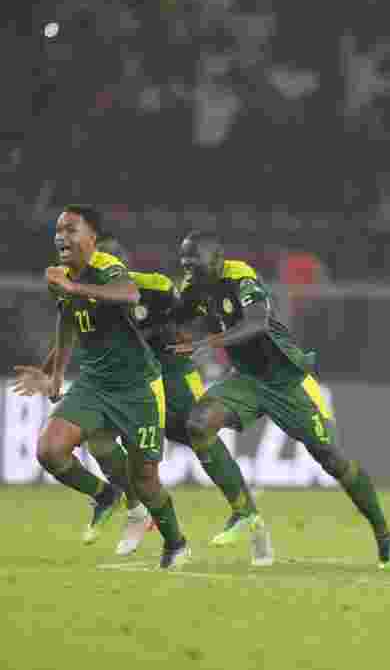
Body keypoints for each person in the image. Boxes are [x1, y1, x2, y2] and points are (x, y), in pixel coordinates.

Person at [170, 231, 390, 570]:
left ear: (216, 261)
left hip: (287, 380)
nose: (188, 269)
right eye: (184, 262)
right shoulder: (195, 288)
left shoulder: (241, 278)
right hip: (246, 380)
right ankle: (243, 512)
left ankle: (386, 533)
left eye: (195, 262)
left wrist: (208, 342)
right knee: (198, 424)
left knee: (333, 460)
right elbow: (176, 315)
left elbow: (257, 324)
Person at [13, 205, 190, 569]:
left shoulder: (107, 266)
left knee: (145, 479)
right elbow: (67, 324)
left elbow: (128, 294)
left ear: (91, 237)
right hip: (94, 383)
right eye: (58, 229)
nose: (62, 235)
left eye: (72, 229)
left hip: (138, 385)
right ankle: (106, 495)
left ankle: (176, 542)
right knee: (50, 450)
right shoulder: (61, 277)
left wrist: (73, 286)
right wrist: (56, 375)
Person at [84, 237, 268, 561]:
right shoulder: (86, 298)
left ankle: (247, 513)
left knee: (200, 434)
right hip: (132, 381)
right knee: (99, 438)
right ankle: (137, 509)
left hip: (173, 376)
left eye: (107, 269)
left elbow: (183, 316)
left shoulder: (155, 287)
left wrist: (177, 335)